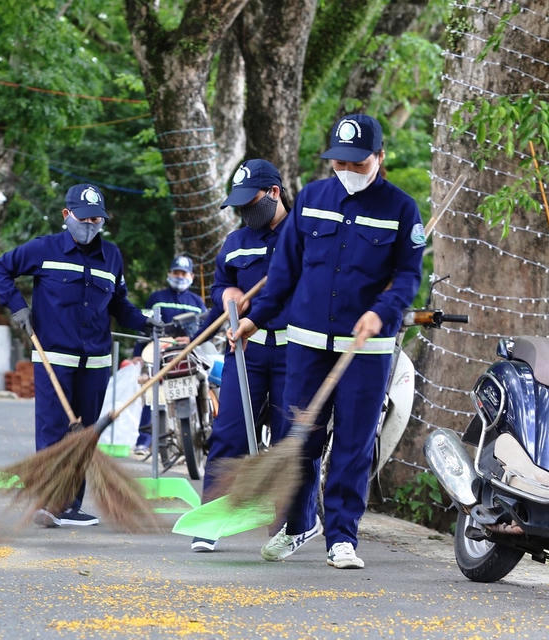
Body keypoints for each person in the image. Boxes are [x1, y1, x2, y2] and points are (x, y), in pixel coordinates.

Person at [234, 115, 424, 569]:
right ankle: (299, 525)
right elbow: (285, 271)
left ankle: (342, 536)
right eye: (339, 160)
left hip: (366, 350)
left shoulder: (402, 209)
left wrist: (383, 311)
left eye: (357, 162)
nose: (346, 168)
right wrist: (256, 319)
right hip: (307, 342)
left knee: (353, 444)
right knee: (301, 439)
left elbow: (408, 277)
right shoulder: (314, 198)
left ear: (379, 158)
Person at [0, 183, 156, 527]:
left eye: (97, 220)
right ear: (67, 215)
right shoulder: (43, 249)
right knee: (53, 431)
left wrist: (145, 321)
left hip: (95, 362)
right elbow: (0, 269)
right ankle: (47, 500)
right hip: (54, 358)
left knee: (84, 435)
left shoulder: (111, 256)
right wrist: (18, 307)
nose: (91, 226)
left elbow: (120, 303)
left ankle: (70, 505)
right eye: (84, 219)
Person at [190, 159, 318, 553]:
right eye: (239, 205)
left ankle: (291, 526)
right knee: (227, 432)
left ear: (275, 193)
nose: (245, 212)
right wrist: (226, 295)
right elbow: (223, 285)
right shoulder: (235, 243)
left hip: (295, 351)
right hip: (245, 352)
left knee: (292, 440)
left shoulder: (306, 235)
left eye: (251, 202)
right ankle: (212, 518)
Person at [132, 255, 206, 459]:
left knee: (199, 389)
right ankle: (144, 441)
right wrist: (138, 354)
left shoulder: (197, 302)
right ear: (169, 274)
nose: (179, 276)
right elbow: (144, 328)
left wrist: (191, 339)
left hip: (188, 353)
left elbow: (205, 329)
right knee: (152, 393)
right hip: (159, 352)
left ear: (191, 276)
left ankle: (192, 438)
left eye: (184, 273)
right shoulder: (157, 298)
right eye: (176, 272)